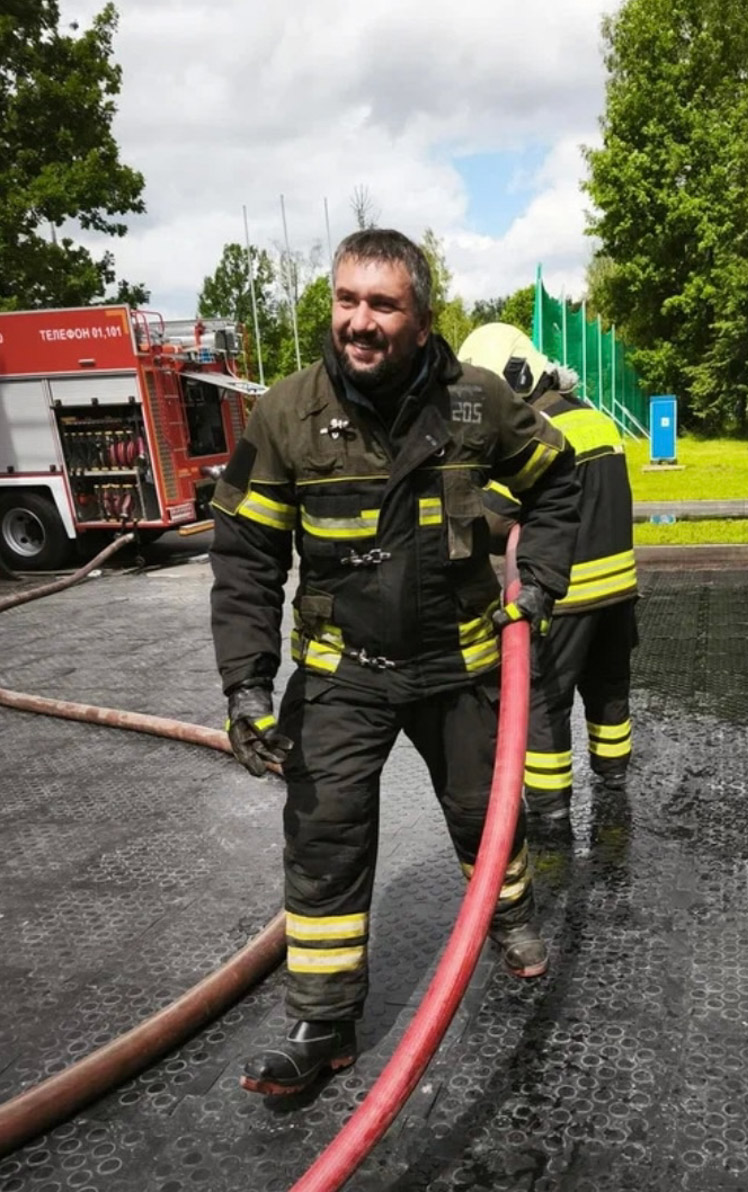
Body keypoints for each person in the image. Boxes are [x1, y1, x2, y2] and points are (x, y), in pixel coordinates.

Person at [208, 229, 581, 1096]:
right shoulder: (287, 414)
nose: (359, 322)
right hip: (343, 672)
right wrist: (248, 683)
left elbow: (558, 481)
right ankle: (323, 1021)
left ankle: (511, 916)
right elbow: (246, 557)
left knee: (484, 810)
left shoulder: (476, 403)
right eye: (346, 301)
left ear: (422, 318)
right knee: (323, 836)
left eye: (382, 304)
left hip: (459, 664)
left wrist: (544, 582)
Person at [484, 362, 639, 835]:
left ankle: (551, 809)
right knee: (609, 688)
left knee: (545, 700)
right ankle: (613, 779)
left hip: (566, 593)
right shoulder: (597, 420)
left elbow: (497, 514)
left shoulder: (539, 433)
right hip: (618, 587)